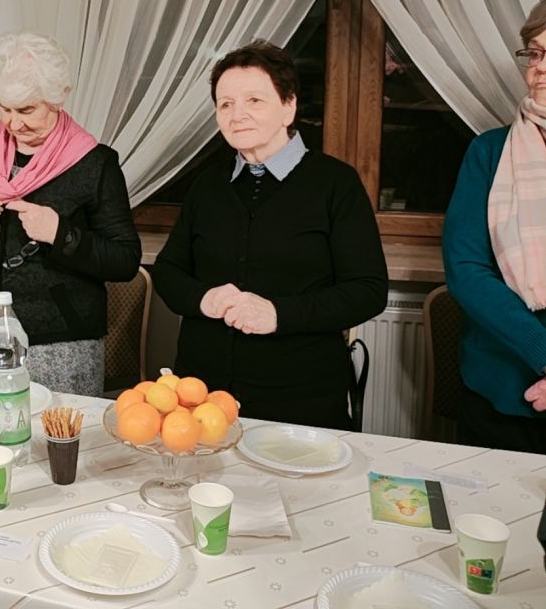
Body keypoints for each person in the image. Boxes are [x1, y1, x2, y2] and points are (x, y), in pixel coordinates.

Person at [153, 41, 387, 429]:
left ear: (288, 106)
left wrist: (278, 314)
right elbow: (167, 271)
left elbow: (368, 291)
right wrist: (204, 298)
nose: (237, 115)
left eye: (254, 101)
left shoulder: (335, 184)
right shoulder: (207, 186)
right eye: (225, 104)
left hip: (301, 401)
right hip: (202, 398)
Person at [0, 32, 141, 397]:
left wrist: (61, 233)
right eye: (4, 109)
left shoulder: (95, 163)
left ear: (57, 99)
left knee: (57, 433)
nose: (13, 123)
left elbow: (125, 260)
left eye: (26, 110)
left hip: (62, 341)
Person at [443, 0, 546, 454]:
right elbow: (466, 268)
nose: (540, 68)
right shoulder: (488, 151)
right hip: (500, 387)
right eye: (535, 53)